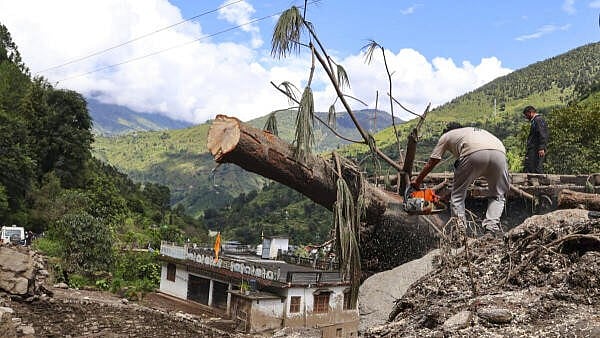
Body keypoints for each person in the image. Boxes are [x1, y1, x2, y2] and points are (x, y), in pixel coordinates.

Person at [411, 122, 510, 235]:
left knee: (457, 197)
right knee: (498, 195)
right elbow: (466, 180)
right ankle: (491, 228)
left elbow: (433, 161)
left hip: (473, 153)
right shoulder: (471, 132)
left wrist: (417, 181)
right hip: (500, 154)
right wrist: (447, 195)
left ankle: (459, 232)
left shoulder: (446, 135)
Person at [522, 105, 549, 174]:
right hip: (534, 149)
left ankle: (540, 183)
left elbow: (542, 134)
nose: (526, 117)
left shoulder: (538, 120)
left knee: (537, 168)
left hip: (537, 149)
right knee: (531, 167)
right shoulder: (535, 121)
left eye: (526, 115)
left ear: (530, 112)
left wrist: (541, 148)